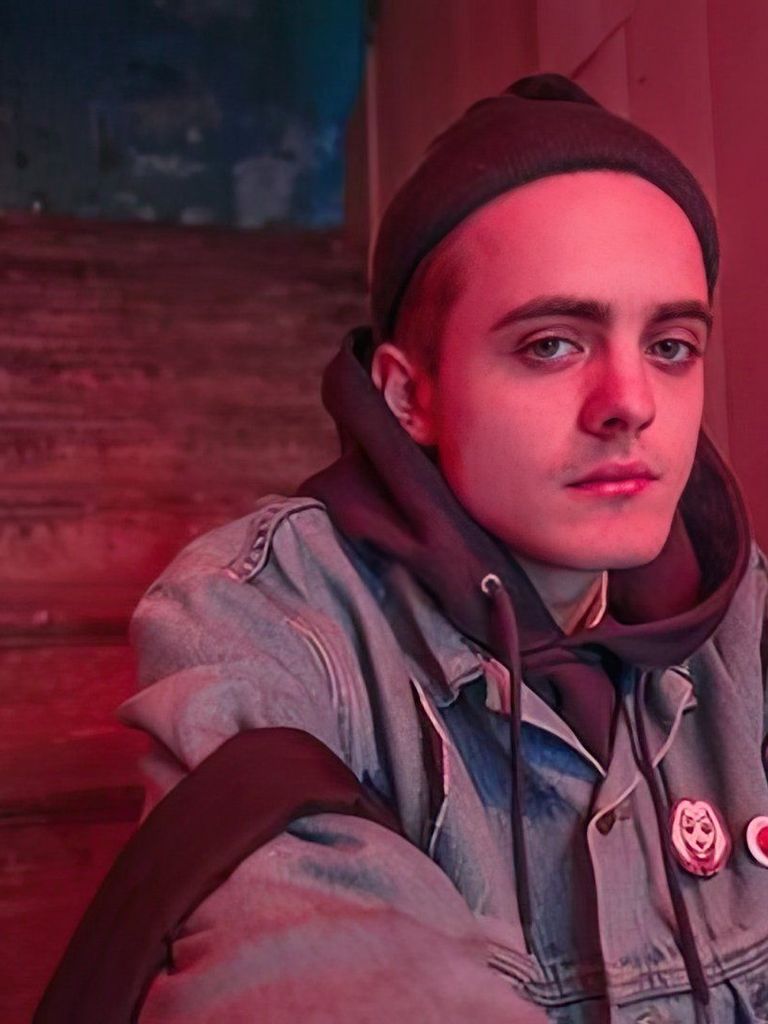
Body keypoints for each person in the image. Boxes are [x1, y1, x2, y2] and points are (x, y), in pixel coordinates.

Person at [117, 73, 768, 1023]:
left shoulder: (743, 617)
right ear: (407, 396)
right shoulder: (260, 614)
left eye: (670, 345)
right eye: (552, 344)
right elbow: (304, 955)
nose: (631, 403)